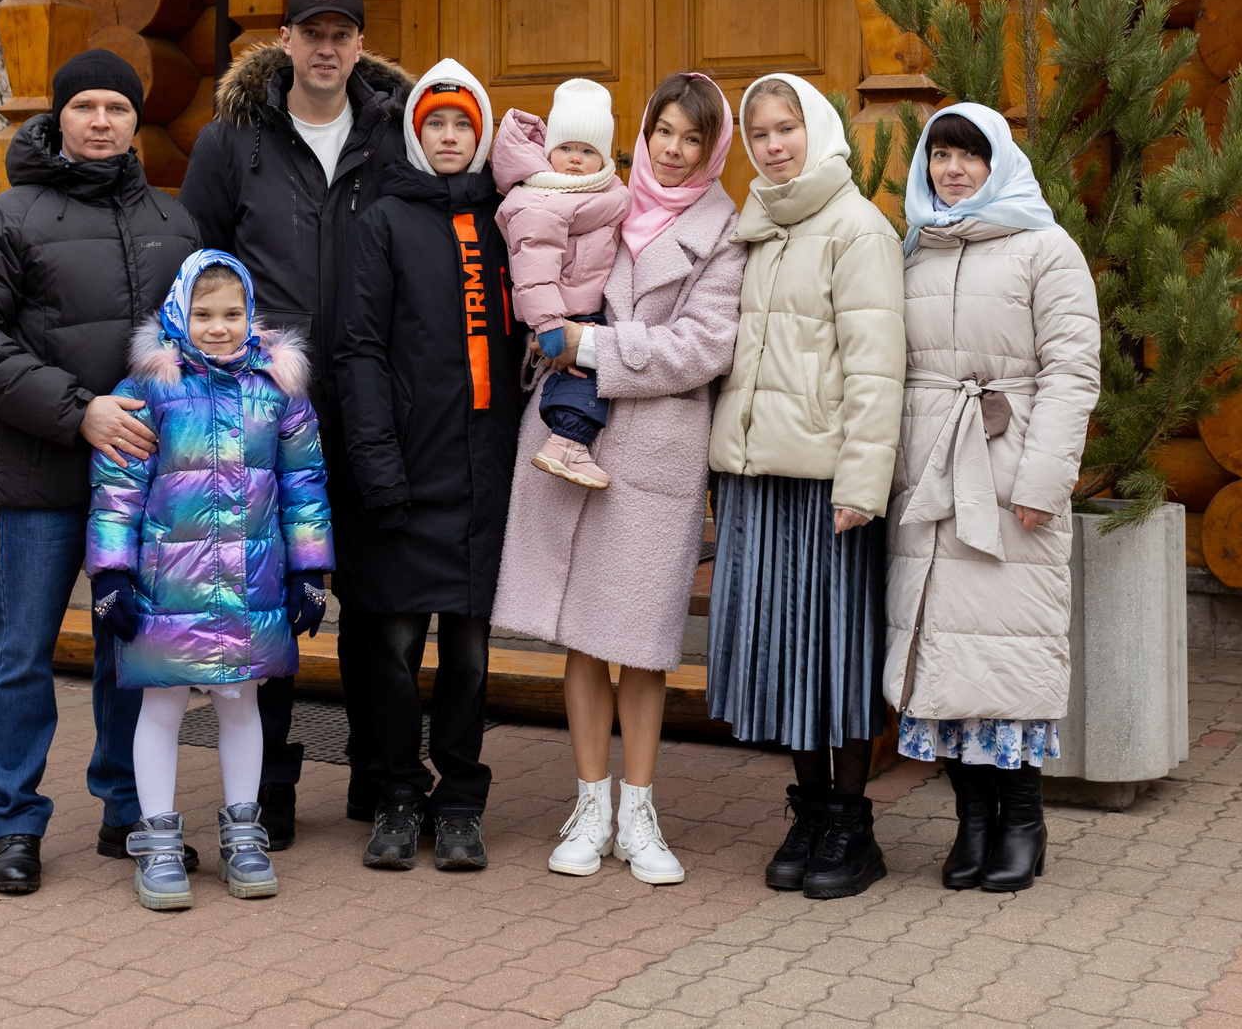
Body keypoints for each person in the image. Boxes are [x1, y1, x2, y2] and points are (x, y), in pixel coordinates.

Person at [0, 48, 200, 897]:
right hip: (42, 476)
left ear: (135, 122)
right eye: (84, 105)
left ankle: (128, 807)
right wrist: (78, 408)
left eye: (116, 107)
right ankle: (14, 821)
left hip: (145, 482)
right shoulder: (9, 219)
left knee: (132, 649)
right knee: (22, 650)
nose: (100, 120)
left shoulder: (176, 223)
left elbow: (207, 339)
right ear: (58, 118)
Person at [491, 73, 742, 887]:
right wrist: (551, 339)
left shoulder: (724, 229)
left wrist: (594, 347)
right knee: (583, 634)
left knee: (640, 643)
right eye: (664, 131)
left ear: (712, 148)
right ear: (644, 132)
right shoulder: (599, 195)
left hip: (657, 450)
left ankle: (640, 811)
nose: (674, 150)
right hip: (571, 436)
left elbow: (705, 345)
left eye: (692, 138)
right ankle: (589, 804)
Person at [180, 0, 410, 846]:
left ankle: (379, 775)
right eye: (311, 32)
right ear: (284, 39)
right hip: (263, 415)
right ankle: (269, 785)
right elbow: (195, 267)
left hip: (373, 403)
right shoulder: (231, 140)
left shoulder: (395, 135)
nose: (325, 47)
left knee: (376, 603)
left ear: (360, 45)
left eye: (341, 33)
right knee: (269, 597)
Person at [888, 104, 1100, 894]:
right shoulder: (916, 249)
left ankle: (1022, 821)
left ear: (998, 162)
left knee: (1006, 653)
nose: (952, 169)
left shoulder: (1046, 248)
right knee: (942, 659)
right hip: (930, 480)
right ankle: (971, 821)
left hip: (1008, 479)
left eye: (969, 155)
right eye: (940, 154)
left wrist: (1043, 480)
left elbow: (1072, 370)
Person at [705, 75, 908, 899]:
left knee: (835, 650)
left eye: (786, 128)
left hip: (828, 485)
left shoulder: (858, 229)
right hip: (759, 477)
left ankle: (852, 822)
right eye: (759, 133)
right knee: (783, 651)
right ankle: (812, 808)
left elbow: (877, 368)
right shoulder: (758, 227)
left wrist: (862, 482)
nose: (773, 145)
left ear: (816, 130)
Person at [86, 251, 333, 912]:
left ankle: (244, 833)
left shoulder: (278, 390)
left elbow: (304, 486)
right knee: (162, 706)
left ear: (251, 315)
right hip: (166, 587)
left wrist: (310, 569)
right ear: (178, 314)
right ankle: (158, 840)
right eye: (203, 314)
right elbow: (117, 488)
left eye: (232, 313)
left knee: (240, 702)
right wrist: (110, 572)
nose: (218, 327)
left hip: (250, 583)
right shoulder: (150, 388)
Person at [332, 59, 524, 872]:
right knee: (395, 649)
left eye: (462, 125)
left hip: (482, 480)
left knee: (470, 656)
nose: (449, 137)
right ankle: (397, 794)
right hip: (405, 477)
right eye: (435, 123)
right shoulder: (383, 221)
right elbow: (359, 351)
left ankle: (461, 803)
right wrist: (378, 465)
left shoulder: (506, 221)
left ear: (482, 135)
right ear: (415, 134)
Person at [488, 79, 629, 488]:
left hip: (584, 304)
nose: (575, 158)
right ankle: (566, 443)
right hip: (563, 312)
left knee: (593, 368)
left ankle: (568, 443)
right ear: (549, 151)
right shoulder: (541, 198)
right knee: (586, 375)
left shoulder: (602, 194)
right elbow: (533, 269)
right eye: (566, 147)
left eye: (588, 151)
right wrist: (550, 327)